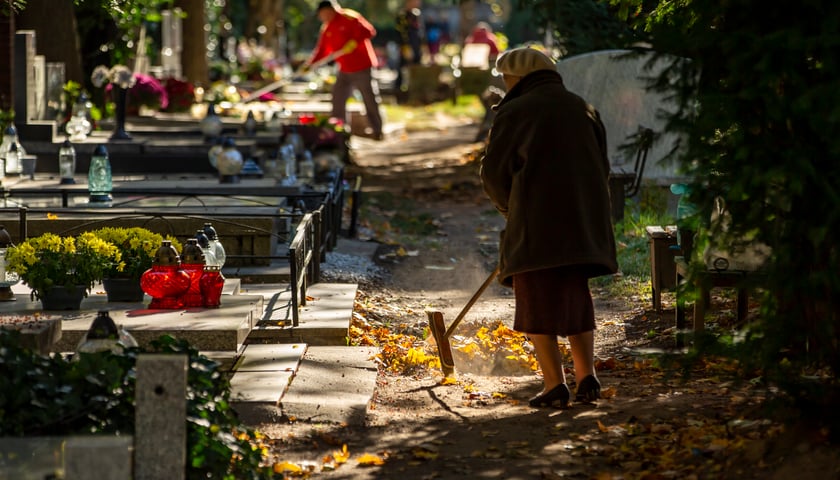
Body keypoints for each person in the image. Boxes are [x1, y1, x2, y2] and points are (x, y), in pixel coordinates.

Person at [479, 47, 618, 408]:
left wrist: (511, 209)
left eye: (506, 79)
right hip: (581, 224)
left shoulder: (514, 111)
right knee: (575, 294)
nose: (505, 85)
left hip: (535, 225)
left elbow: (494, 175)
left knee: (536, 298)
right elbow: (602, 168)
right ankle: (588, 376)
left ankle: (554, 384)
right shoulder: (581, 107)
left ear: (517, 78)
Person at [303, 0, 383, 140]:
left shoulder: (349, 17)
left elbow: (369, 30)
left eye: (322, 14)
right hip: (344, 69)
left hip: (362, 66)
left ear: (329, 10)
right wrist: (310, 65)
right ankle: (338, 131)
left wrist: (353, 42)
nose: (321, 17)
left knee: (369, 99)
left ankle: (377, 130)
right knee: (338, 99)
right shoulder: (327, 27)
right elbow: (322, 50)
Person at [394, 0, 425, 94]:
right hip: (406, 46)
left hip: (416, 45)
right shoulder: (402, 16)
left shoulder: (417, 14)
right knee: (403, 67)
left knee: (417, 65)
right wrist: (405, 47)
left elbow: (421, 32)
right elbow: (400, 33)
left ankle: (416, 88)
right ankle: (398, 89)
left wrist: (423, 45)